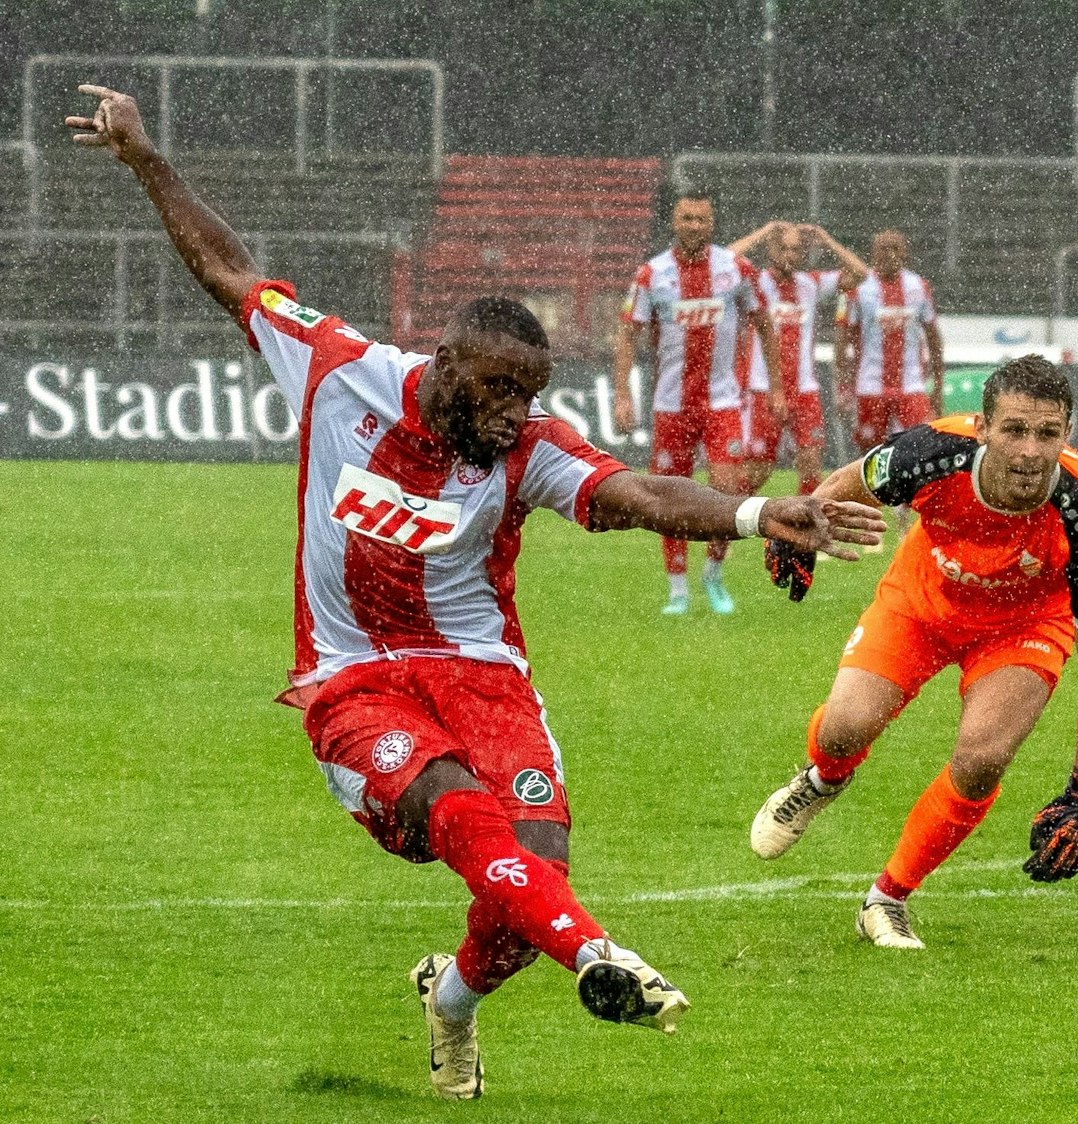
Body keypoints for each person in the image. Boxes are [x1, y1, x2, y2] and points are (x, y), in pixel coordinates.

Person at [63, 84, 883, 1099]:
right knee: (458, 810)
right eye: (496, 389)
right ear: (444, 364)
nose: (512, 413)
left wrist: (757, 514)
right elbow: (230, 269)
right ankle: (600, 956)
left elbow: (632, 490)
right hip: (353, 678)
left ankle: (449, 1002)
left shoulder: (525, 448)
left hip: (483, 676)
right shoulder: (340, 372)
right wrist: (145, 159)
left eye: (528, 395)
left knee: (536, 853)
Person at [751, 356, 1078, 949]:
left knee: (983, 760)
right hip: (920, 601)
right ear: (982, 428)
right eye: (1014, 430)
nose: (1030, 452)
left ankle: (888, 899)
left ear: (1068, 433)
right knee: (844, 730)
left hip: (1025, 626)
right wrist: (802, 527)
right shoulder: (932, 452)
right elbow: (855, 479)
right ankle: (822, 780)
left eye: (1047, 434)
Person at [611, 190, 785, 615]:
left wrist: (777, 387)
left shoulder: (735, 269)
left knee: (727, 490)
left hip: (722, 401)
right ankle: (677, 589)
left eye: (701, 219)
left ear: (712, 224)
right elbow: (628, 335)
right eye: (687, 218)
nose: (694, 226)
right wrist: (621, 392)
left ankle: (712, 573)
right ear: (675, 221)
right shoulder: (652, 274)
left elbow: (764, 324)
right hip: (671, 405)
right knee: (668, 498)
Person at [728, 221, 867, 496]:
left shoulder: (811, 284)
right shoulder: (756, 281)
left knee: (811, 467)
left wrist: (826, 240)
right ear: (771, 249)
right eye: (783, 248)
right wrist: (764, 231)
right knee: (759, 471)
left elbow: (862, 274)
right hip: (763, 390)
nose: (790, 255)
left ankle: (801, 532)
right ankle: (728, 521)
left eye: (795, 249)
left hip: (805, 390)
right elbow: (724, 262)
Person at [835, 230, 946, 548]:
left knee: (915, 453)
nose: (889, 254)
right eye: (882, 249)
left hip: (911, 385)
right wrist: (842, 386)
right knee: (869, 456)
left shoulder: (919, 287)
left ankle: (906, 524)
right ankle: (870, 522)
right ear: (872, 253)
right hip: (869, 387)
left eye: (896, 248)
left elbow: (933, 336)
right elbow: (843, 338)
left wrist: (935, 387)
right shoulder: (859, 290)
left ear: (905, 252)